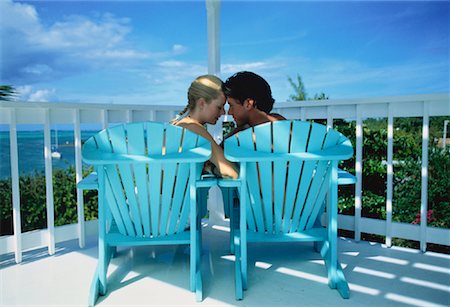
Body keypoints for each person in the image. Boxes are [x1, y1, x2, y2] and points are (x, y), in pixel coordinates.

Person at [171, 75, 238, 179]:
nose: (223, 112)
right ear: (202, 103)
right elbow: (230, 172)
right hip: (178, 195)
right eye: (219, 107)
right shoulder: (193, 128)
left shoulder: (177, 123)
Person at [223, 71, 286, 139]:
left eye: (231, 105)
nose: (229, 112)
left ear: (248, 104)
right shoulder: (286, 127)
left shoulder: (245, 139)